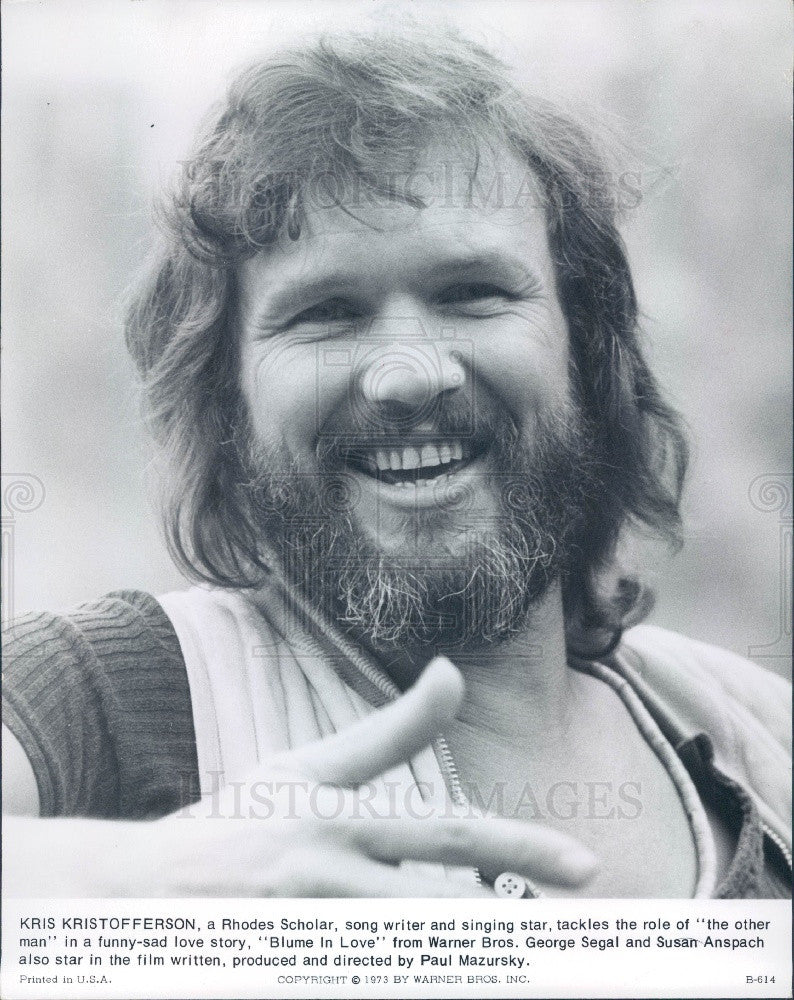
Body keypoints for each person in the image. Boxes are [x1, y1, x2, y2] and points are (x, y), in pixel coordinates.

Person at [2, 27, 790, 900]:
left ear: (587, 351)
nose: (411, 373)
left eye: (473, 293)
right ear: (225, 400)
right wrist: (141, 875)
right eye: (326, 312)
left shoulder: (764, 732)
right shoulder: (105, 694)